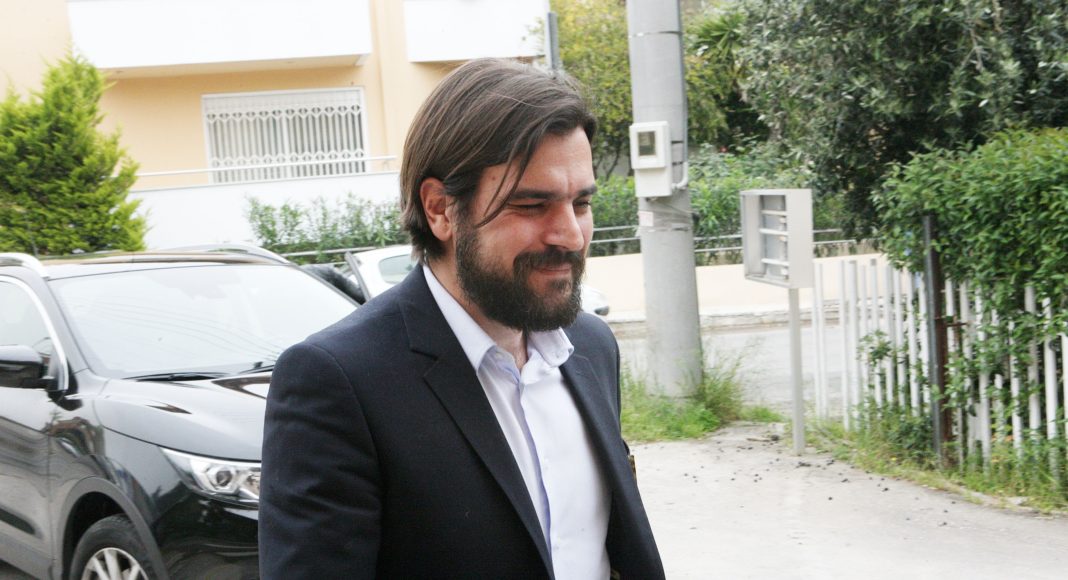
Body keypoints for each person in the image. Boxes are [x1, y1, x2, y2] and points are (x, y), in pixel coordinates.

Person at [259, 58, 665, 579]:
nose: (570, 234)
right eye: (532, 205)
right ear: (440, 209)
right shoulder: (339, 381)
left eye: (581, 203)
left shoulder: (591, 347)